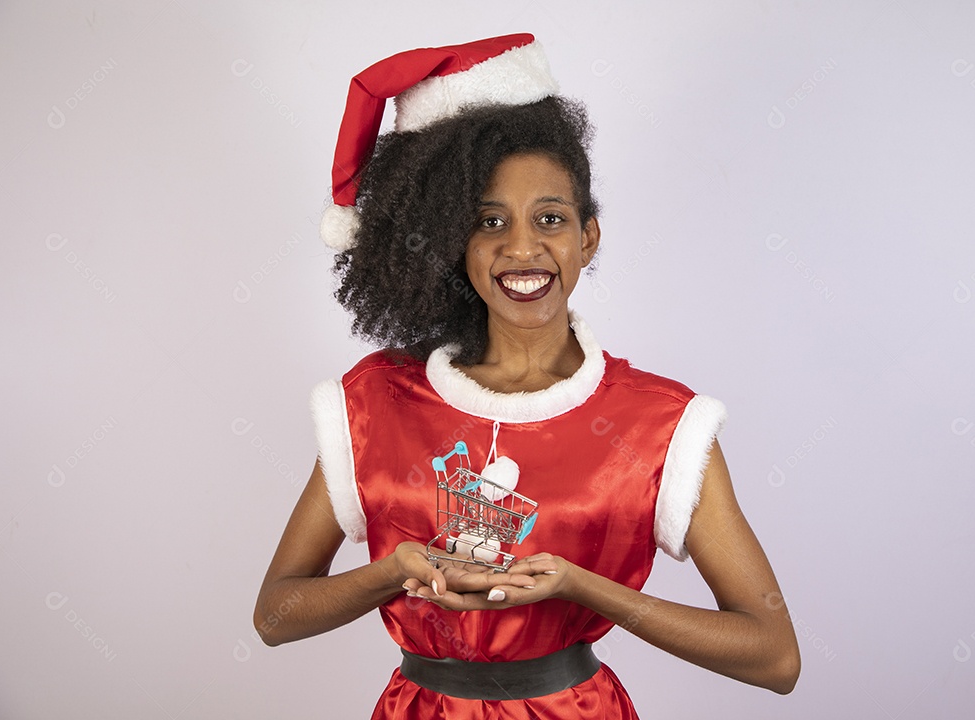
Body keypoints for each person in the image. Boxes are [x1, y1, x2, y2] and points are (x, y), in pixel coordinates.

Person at [254, 34, 800, 718]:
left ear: (587, 237)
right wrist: (391, 572)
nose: (522, 247)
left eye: (550, 218)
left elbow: (775, 657)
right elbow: (275, 616)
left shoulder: (660, 425)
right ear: (455, 240)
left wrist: (582, 586)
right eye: (489, 222)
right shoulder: (375, 404)